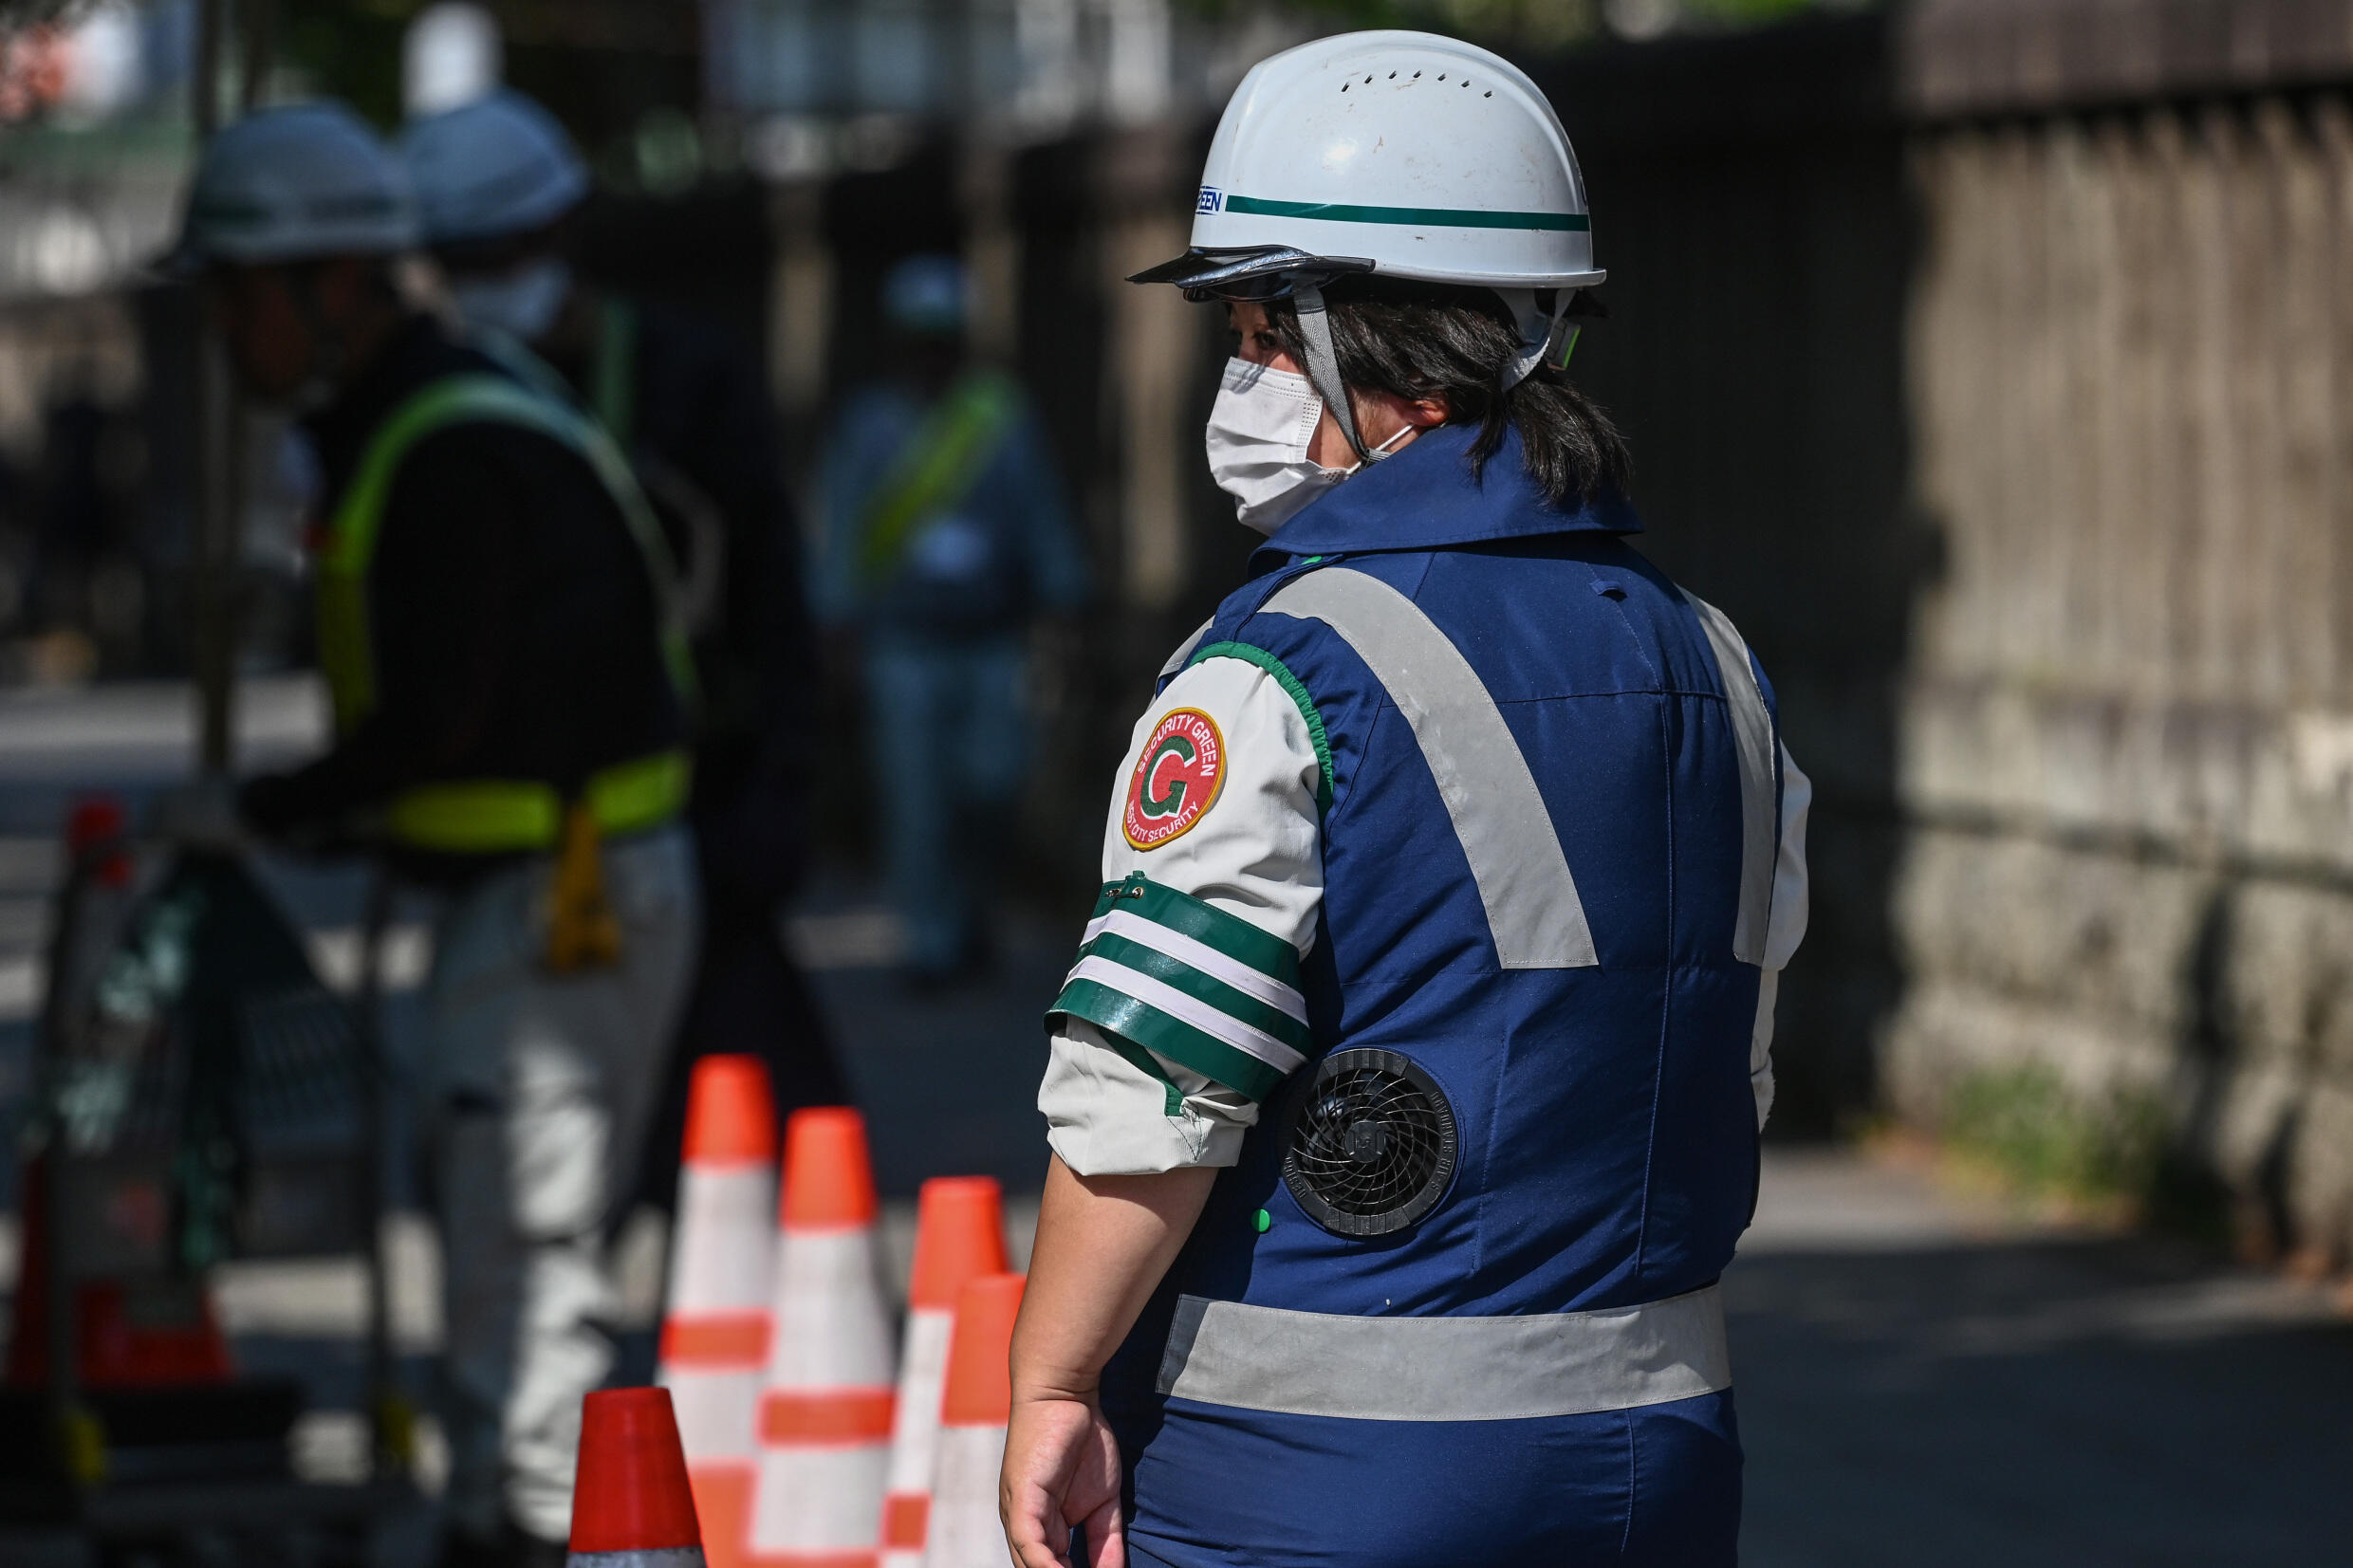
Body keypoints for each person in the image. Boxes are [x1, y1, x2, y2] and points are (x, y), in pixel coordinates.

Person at [1003, 32, 1811, 1568]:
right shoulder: (1717, 659)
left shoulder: (1276, 669)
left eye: (1253, 335)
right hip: (1661, 1464)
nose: (1234, 383)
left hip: (1305, 1479)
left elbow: (1151, 1097)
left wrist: (1050, 1378)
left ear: (1361, 347)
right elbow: (1731, 1067)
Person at [173, 103, 699, 1567]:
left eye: (234, 301)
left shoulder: (450, 443)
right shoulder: (421, 417)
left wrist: (265, 811)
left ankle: (531, 1528)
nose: (223, 339)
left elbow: (439, 716)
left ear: (329, 285)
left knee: (525, 1258)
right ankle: (505, 1506)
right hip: (527, 898)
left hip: (559, 906)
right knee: (496, 1238)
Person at [398, 89, 849, 1212]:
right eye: (458, 262)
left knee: (755, 1131)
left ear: (559, 233)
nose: (485, 283)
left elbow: (770, 602)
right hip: (514, 857)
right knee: (526, 1166)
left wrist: (775, 801)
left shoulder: (687, 381)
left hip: (698, 818)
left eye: (498, 253)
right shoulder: (441, 406)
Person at [814, 255, 1089, 984]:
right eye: (919, 339)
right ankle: (931, 944)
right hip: (903, 644)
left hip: (990, 639)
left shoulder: (999, 417)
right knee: (917, 800)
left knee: (993, 785)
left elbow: (1041, 515)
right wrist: (837, 624)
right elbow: (842, 528)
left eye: (943, 339)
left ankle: (975, 912)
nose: (931, 354)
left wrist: (1063, 599)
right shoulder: (868, 426)